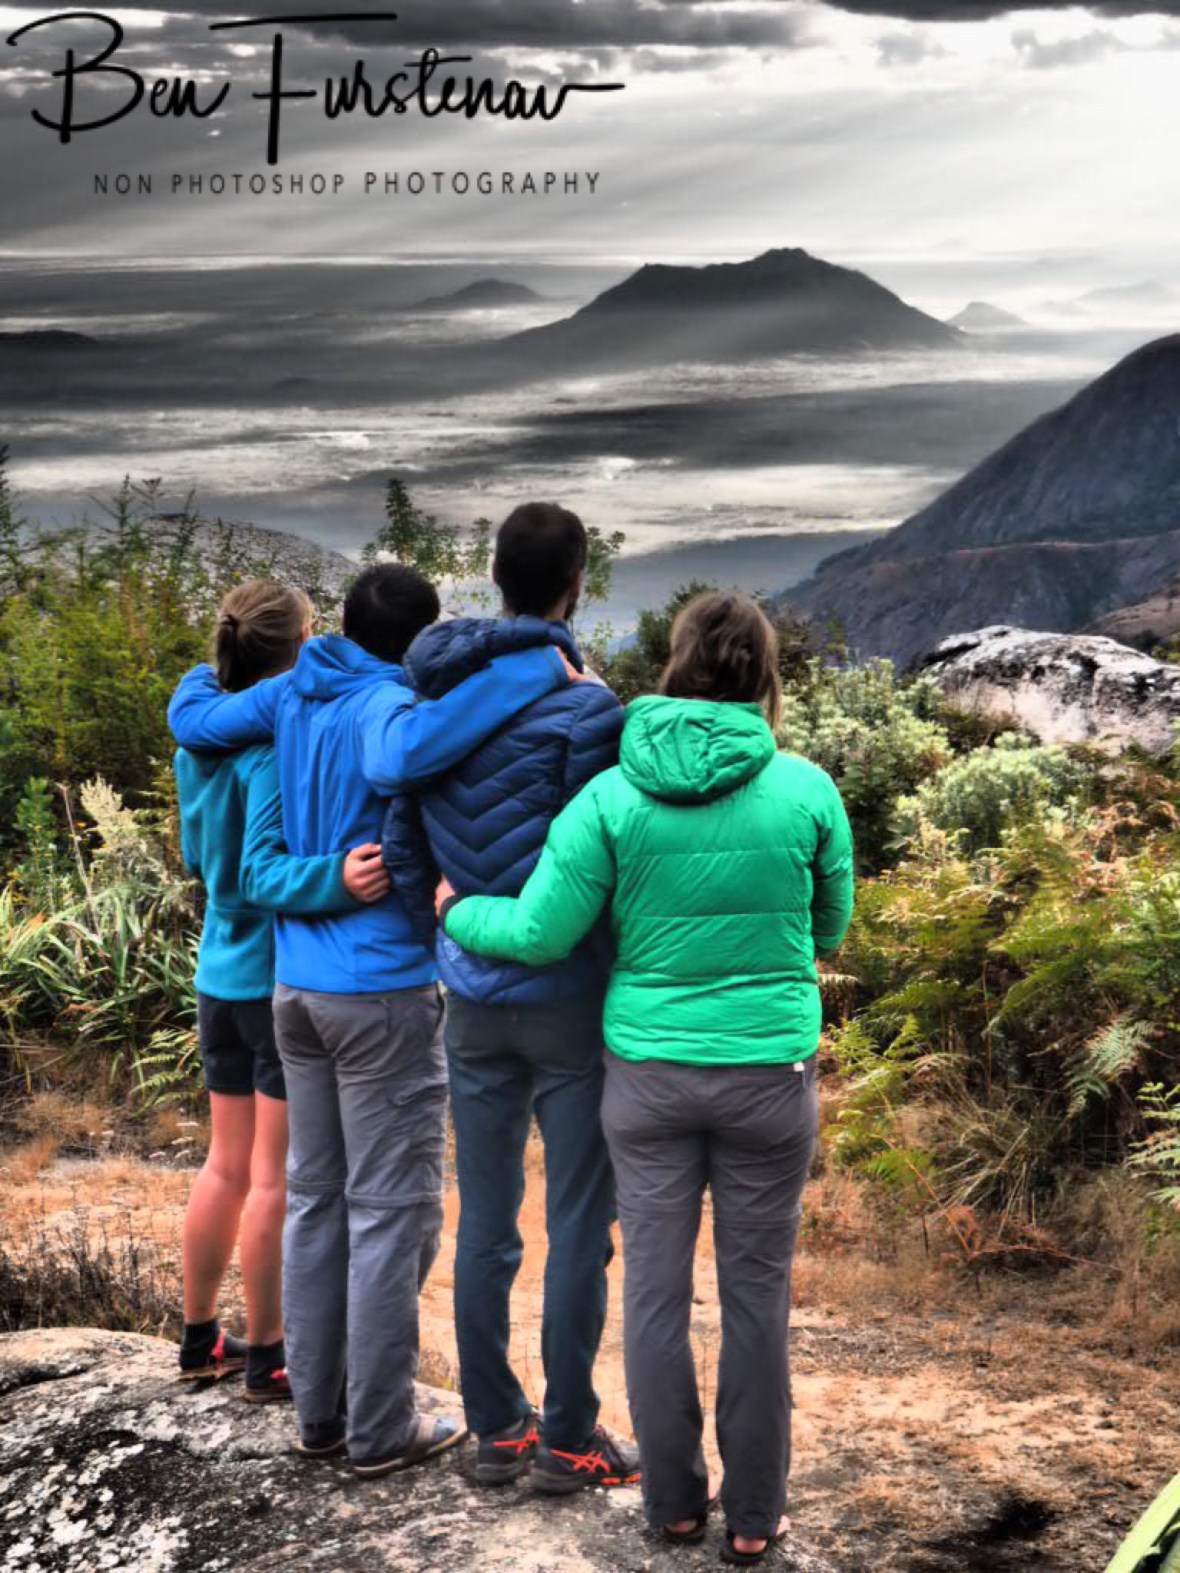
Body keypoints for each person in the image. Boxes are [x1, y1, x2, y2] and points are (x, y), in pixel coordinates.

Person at [438, 591, 855, 1564]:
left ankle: (672, 1505)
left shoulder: (611, 796)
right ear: (762, 674)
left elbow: (539, 931)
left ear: (672, 668)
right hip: (767, 1074)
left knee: (654, 1297)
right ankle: (753, 1517)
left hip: (647, 1077)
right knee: (756, 1301)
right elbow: (828, 930)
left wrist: (457, 909)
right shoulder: (806, 791)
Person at [167, 563, 573, 1477]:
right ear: (418, 642)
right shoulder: (389, 707)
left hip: (292, 994)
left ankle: (320, 1414)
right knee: (392, 1213)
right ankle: (382, 1430)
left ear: (343, 621)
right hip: (380, 993)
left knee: (316, 1199)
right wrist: (542, 658)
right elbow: (422, 750)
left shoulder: (288, 702)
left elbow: (236, 817)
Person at [380, 502, 636, 1493]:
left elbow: (405, 840)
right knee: (579, 1220)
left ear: (495, 580)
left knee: (485, 1221)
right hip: (570, 1000)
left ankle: (496, 1431)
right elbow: (602, 861)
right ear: (578, 583)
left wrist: (441, 930)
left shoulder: (431, 705)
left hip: (472, 1002)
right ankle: (569, 1438)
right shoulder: (586, 711)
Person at [175, 578, 391, 1402]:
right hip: (271, 978)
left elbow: (211, 864)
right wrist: (337, 878)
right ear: (301, 644)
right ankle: (269, 1354)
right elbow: (269, 872)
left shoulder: (194, 745)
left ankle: (201, 1340)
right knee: (275, 1176)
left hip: (214, 972)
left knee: (222, 1164)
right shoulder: (269, 749)